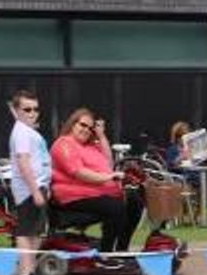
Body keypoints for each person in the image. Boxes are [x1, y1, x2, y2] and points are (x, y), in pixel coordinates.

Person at [50, 108, 145, 261]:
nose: (86, 130)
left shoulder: (91, 146)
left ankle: (122, 249)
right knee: (115, 207)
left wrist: (101, 135)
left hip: (98, 192)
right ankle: (106, 254)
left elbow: (108, 162)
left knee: (134, 201)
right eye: (83, 125)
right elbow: (78, 172)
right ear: (72, 124)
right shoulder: (64, 144)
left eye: (90, 128)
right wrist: (109, 177)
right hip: (73, 196)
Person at [7, 90, 52, 275]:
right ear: (17, 111)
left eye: (35, 109)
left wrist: (44, 186)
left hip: (38, 186)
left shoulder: (27, 131)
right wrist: (35, 191)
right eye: (27, 109)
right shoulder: (21, 133)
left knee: (36, 232)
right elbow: (23, 163)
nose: (32, 113)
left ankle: (30, 270)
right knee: (26, 231)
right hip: (28, 189)